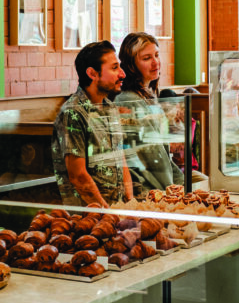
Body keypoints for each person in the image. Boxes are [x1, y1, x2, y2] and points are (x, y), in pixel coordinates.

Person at [52, 40, 133, 207]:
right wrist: (107, 214)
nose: (122, 74)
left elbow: (120, 159)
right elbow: (78, 176)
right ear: (92, 74)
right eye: (114, 68)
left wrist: (131, 204)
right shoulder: (73, 112)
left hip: (117, 212)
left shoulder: (110, 107)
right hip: (89, 218)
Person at [114, 32, 183, 195]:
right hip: (145, 187)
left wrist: (180, 182)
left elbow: (163, 154)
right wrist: (174, 190)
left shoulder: (148, 95)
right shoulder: (128, 100)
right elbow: (152, 157)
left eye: (157, 55)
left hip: (162, 179)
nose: (155, 63)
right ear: (131, 65)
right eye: (146, 58)